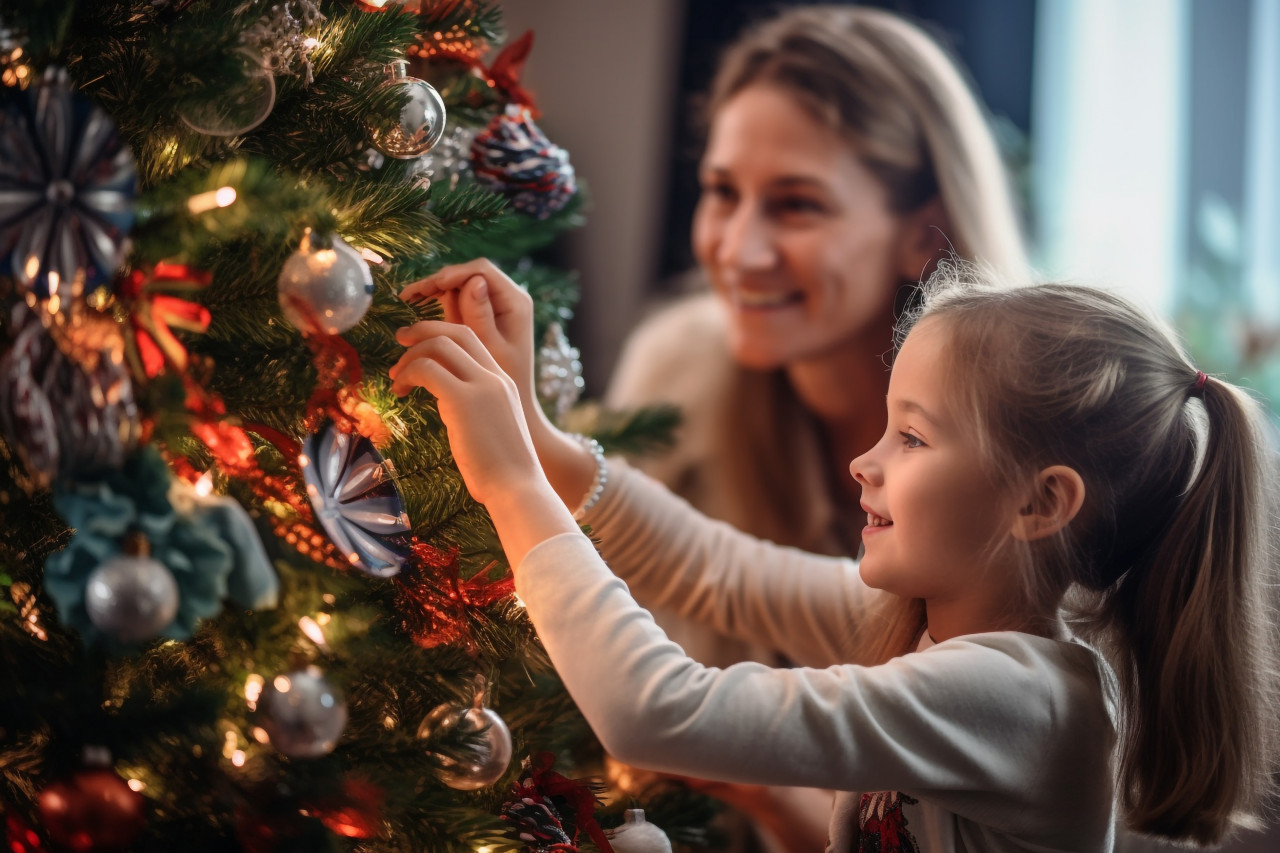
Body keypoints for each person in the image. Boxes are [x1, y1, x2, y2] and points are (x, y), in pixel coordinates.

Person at [389, 260, 1279, 851]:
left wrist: (510, 486)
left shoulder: (1021, 695)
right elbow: (723, 572)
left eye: (913, 438)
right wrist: (542, 444)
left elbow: (656, 709)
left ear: (1039, 502)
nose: (867, 460)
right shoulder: (952, 629)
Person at [607, 9, 1029, 847]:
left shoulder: (1028, 447)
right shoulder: (675, 369)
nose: (738, 249)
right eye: (723, 192)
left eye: (796, 205)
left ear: (923, 231)